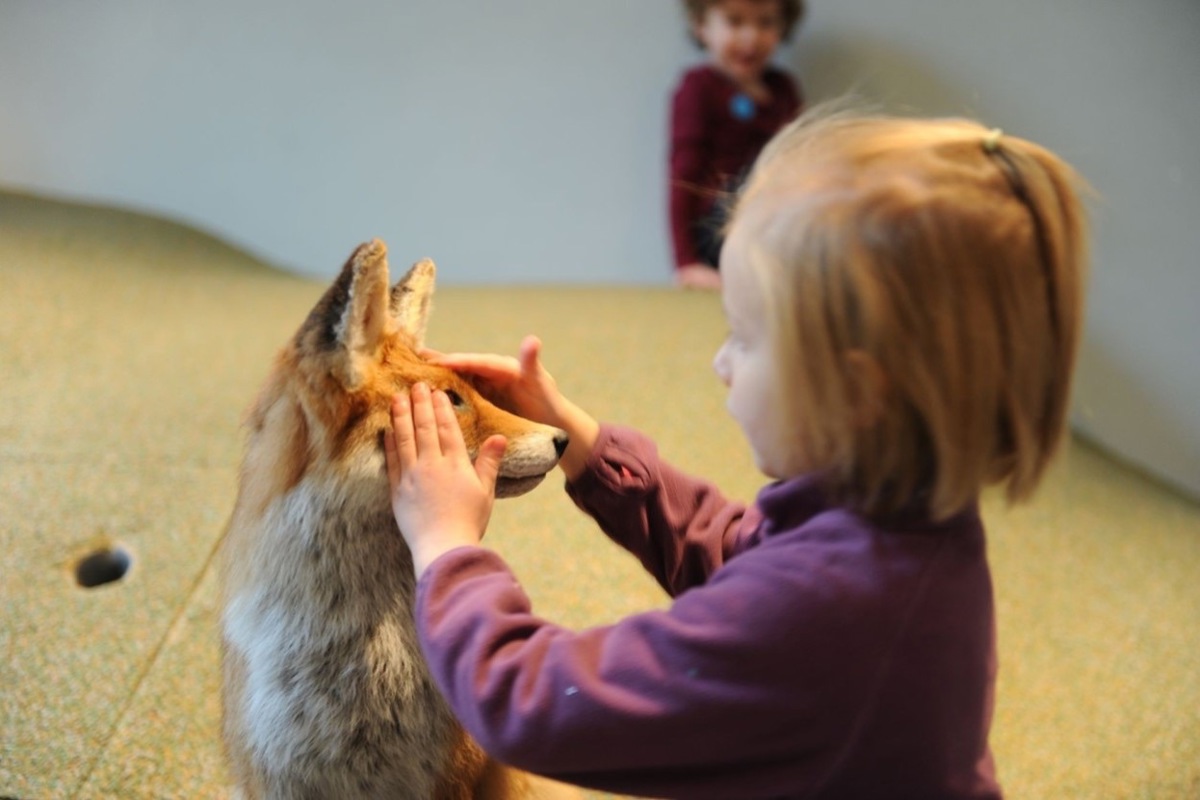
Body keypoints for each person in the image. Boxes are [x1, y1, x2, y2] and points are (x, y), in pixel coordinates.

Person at [384, 108, 1089, 798]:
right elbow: (741, 555)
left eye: (746, 339)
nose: (721, 362)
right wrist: (580, 438)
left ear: (853, 390)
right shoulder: (896, 520)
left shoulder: (831, 609)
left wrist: (447, 547)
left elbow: (529, 703)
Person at [669, 0, 806, 290]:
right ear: (702, 26)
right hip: (721, 225)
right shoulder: (697, 89)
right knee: (756, 179)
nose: (750, 37)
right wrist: (686, 263)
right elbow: (683, 176)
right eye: (734, 22)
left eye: (765, 23)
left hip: (775, 220)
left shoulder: (784, 90)